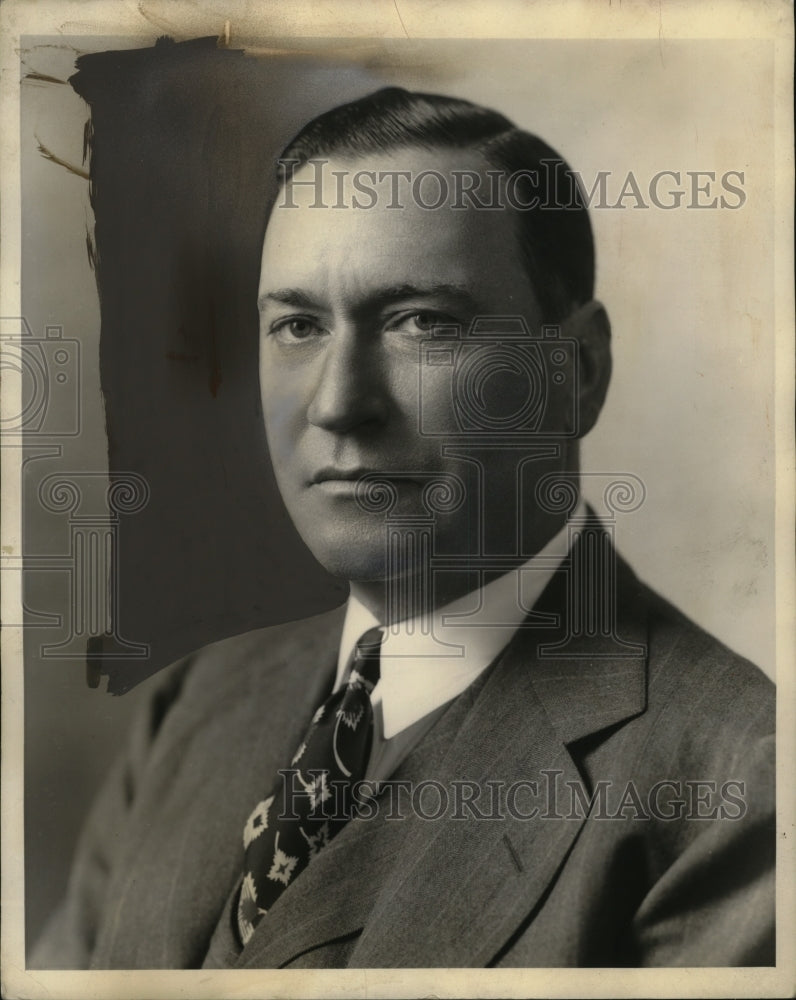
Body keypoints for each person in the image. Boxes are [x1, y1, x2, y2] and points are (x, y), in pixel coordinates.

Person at [31, 87, 774, 970]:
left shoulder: (738, 784)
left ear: (575, 371)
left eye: (423, 323)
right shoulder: (193, 705)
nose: (340, 402)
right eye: (298, 325)